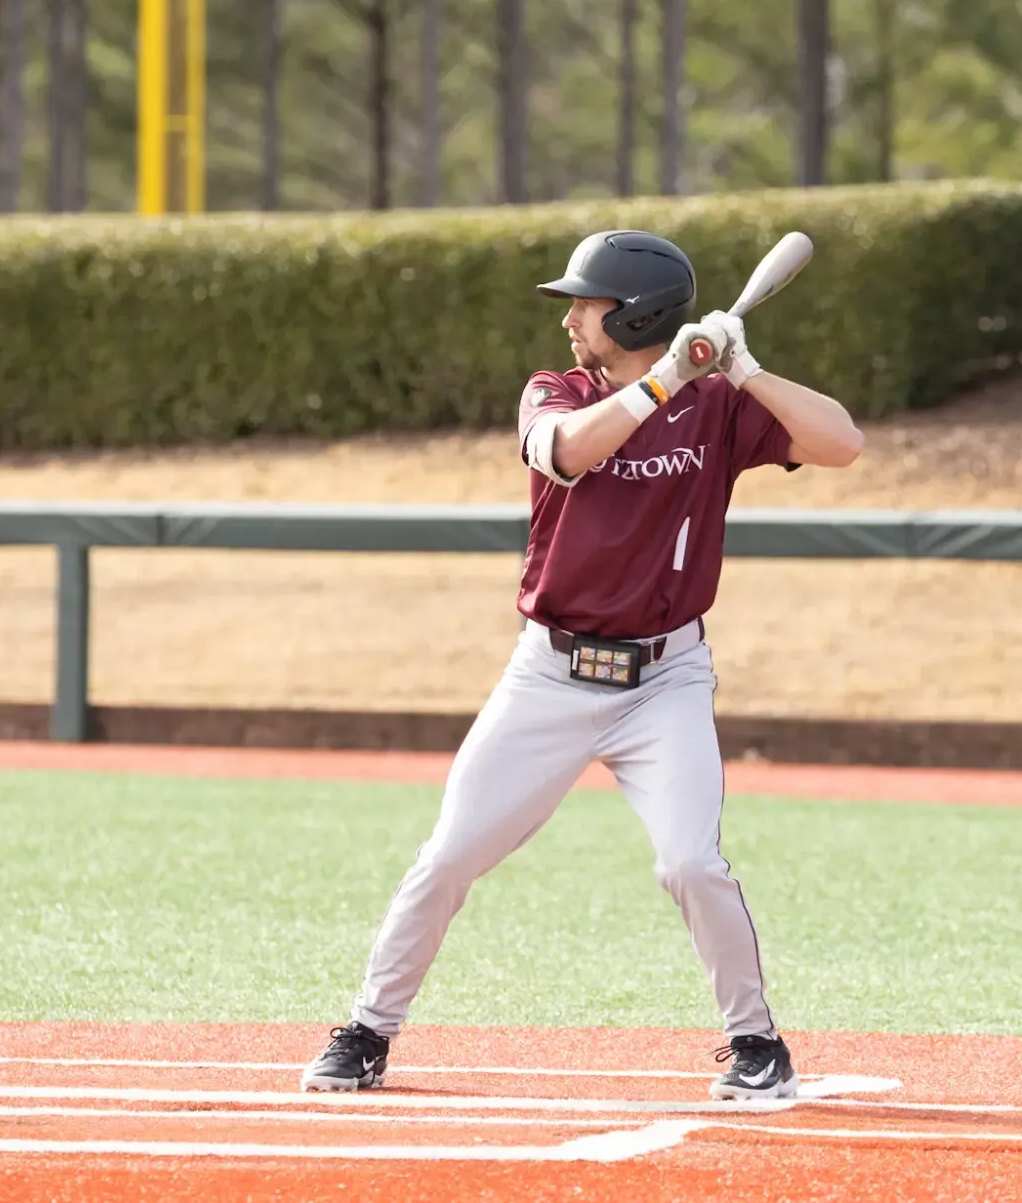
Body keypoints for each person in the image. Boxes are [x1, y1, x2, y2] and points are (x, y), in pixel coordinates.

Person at [299, 230, 864, 1101]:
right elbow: (566, 451)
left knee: (691, 863)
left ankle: (757, 1042)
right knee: (449, 854)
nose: (570, 317)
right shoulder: (555, 390)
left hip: (665, 680)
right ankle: (368, 1030)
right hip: (550, 675)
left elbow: (842, 442)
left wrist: (744, 370)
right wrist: (664, 378)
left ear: (634, 312)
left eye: (586, 304)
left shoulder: (717, 404)